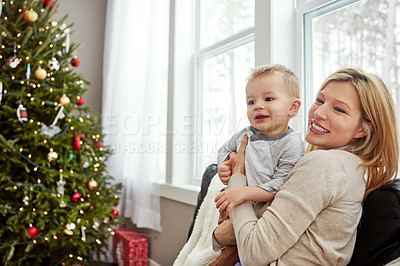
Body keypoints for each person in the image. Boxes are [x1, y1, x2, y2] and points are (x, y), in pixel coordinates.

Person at [213, 67, 399, 265]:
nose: (318, 112)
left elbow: (253, 253)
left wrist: (237, 175)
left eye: (339, 109)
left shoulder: (324, 165)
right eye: (319, 100)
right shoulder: (351, 167)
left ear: (363, 129)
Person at [217, 64, 304, 215]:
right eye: (251, 102)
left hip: (266, 212)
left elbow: (280, 184)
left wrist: (243, 192)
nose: (257, 106)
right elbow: (224, 149)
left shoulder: (292, 144)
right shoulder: (245, 134)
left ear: (293, 107)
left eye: (268, 99)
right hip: (235, 204)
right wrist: (224, 164)